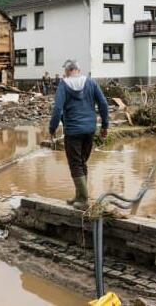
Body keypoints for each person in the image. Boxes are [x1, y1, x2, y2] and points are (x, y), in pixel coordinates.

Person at [49, 60, 109, 210]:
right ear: (78, 69)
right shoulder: (91, 83)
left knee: (75, 164)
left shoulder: (63, 85)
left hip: (73, 131)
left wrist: (52, 128)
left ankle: (83, 199)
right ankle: (80, 195)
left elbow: (57, 109)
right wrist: (105, 126)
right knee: (82, 162)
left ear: (68, 71)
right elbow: (103, 104)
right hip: (90, 129)